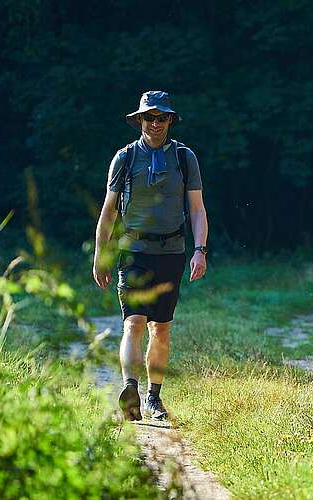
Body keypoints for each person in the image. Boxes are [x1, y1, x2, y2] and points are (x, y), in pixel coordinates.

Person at [93, 91, 208, 421]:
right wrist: (101, 254)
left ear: (170, 120)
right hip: (133, 252)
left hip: (172, 253)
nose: (155, 124)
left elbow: (197, 210)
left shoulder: (185, 158)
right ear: (139, 120)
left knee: (161, 329)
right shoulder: (125, 158)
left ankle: (153, 397)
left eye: (161, 118)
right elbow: (109, 211)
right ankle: (130, 389)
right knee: (134, 323)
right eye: (149, 118)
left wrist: (200, 250)